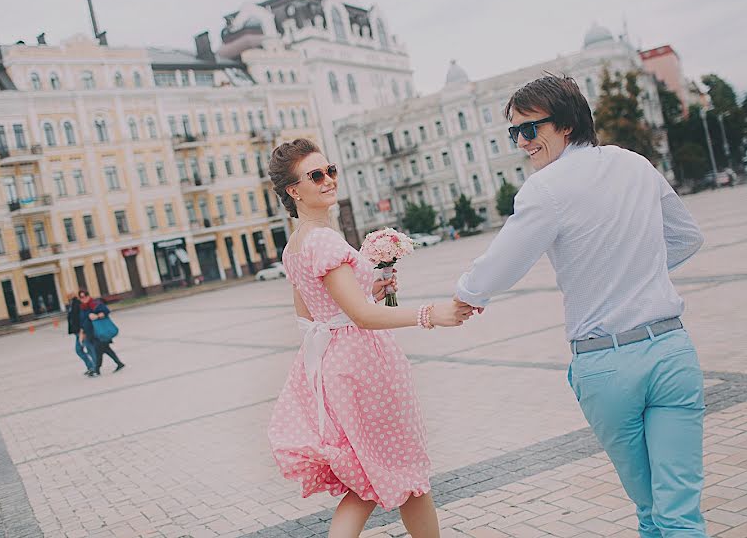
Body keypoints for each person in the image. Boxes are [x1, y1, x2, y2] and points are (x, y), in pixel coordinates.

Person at [455, 76, 706, 537]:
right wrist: (638, 268)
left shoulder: (544, 189)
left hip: (607, 364)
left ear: (566, 125)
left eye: (529, 130)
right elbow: (687, 238)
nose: (522, 143)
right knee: (680, 512)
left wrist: (465, 295)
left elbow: (500, 268)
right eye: (514, 134)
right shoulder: (635, 164)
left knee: (652, 510)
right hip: (671, 351)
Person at [266, 139, 473, 538]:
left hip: (339, 366)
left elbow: (311, 316)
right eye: (315, 175)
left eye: (330, 170)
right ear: (294, 191)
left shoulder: (296, 245)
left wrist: (369, 293)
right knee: (392, 471)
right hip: (364, 367)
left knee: (382, 474)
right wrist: (431, 314)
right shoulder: (323, 240)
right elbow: (360, 317)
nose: (328, 180)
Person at [78, 289, 125, 374]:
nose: (83, 299)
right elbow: (82, 321)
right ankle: (119, 363)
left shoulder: (95, 304)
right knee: (106, 349)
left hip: (100, 332)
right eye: (81, 297)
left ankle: (97, 370)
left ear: (88, 296)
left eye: (85, 296)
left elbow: (106, 311)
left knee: (98, 350)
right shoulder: (83, 308)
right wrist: (82, 333)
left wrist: (97, 316)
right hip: (90, 333)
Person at [66, 292, 96, 376]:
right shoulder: (71, 305)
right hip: (77, 331)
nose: (67, 296)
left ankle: (94, 367)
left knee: (88, 349)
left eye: (69, 294)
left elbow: (80, 318)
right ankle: (91, 366)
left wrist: (82, 330)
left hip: (81, 331)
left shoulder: (78, 304)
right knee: (80, 350)